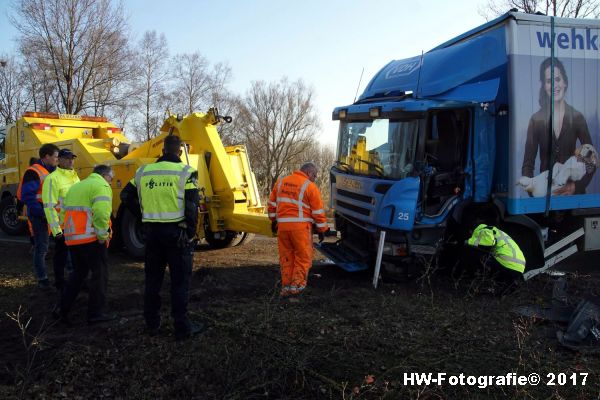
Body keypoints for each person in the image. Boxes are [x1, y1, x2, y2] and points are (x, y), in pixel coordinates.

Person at [120, 135, 202, 341]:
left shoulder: (143, 172)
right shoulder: (186, 172)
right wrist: (190, 233)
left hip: (152, 235)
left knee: (153, 281)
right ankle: (182, 327)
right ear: (179, 152)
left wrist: (143, 218)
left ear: (162, 150)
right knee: (180, 282)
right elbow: (192, 207)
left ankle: (152, 323)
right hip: (177, 235)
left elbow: (125, 196)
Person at [521, 57, 595, 195]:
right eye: (549, 81)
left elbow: (592, 160)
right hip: (546, 198)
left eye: (558, 79)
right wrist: (535, 194)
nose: (555, 85)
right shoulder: (536, 120)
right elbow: (527, 165)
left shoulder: (577, 118)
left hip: (573, 198)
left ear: (565, 82)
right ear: (544, 86)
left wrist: (576, 188)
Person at [54, 165, 117, 324]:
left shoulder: (76, 187)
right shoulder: (100, 186)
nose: (110, 183)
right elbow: (102, 213)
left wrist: (67, 232)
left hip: (73, 239)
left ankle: (62, 309)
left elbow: (63, 214)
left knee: (78, 274)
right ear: (104, 175)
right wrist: (102, 236)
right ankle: (96, 313)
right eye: (110, 179)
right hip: (91, 239)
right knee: (100, 275)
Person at [268, 162, 329, 299]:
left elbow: (271, 203)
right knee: (302, 257)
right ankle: (297, 287)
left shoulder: (281, 182)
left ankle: (286, 286)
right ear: (308, 172)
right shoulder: (310, 187)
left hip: (283, 228)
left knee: (287, 257)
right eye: (315, 175)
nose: (315, 178)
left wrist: (273, 220)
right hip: (300, 229)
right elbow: (318, 213)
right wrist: (322, 229)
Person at [17, 144, 59, 288]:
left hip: (51, 215)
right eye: (55, 157)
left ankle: (56, 277)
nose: (57, 160)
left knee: (51, 247)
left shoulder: (52, 171)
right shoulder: (34, 172)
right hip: (40, 215)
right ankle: (42, 279)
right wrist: (42, 213)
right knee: (41, 248)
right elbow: (28, 196)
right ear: (46, 157)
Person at [42, 149, 80, 291]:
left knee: (77, 257)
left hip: (76, 225)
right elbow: (49, 207)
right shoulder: (52, 179)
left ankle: (76, 281)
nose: (71, 161)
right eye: (67, 158)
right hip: (62, 226)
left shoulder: (75, 177)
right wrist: (56, 230)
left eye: (72, 158)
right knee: (61, 257)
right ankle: (59, 282)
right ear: (60, 160)